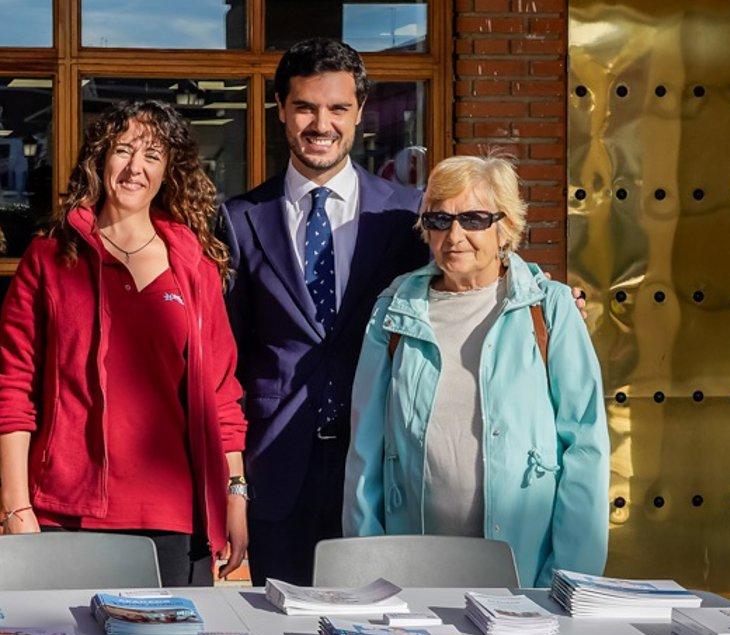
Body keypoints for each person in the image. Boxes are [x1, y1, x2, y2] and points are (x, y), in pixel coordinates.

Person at [0, 100, 248, 588]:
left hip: (176, 515)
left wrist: (234, 494)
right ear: (99, 158)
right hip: (68, 513)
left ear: (169, 170)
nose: (135, 168)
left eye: (152, 155)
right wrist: (16, 505)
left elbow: (222, 392)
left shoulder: (194, 266)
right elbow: (14, 391)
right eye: (123, 150)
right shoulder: (49, 260)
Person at [342, 154, 608, 588]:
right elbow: (366, 451)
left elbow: (585, 447)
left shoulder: (550, 308)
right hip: (412, 571)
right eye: (440, 220)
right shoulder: (394, 310)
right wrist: (368, 570)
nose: (455, 235)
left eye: (474, 219)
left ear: (505, 226)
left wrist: (569, 580)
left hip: (525, 569)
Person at [221, 38, 430, 587]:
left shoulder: (408, 214)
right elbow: (228, 359)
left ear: (359, 113)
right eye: (306, 107)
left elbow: (465, 280)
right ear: (281, 110)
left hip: (381, 463)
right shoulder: (240, 220)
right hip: (278, 466)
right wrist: (234, 481)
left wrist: (541, 291)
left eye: (338, 108)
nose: (322, 123)